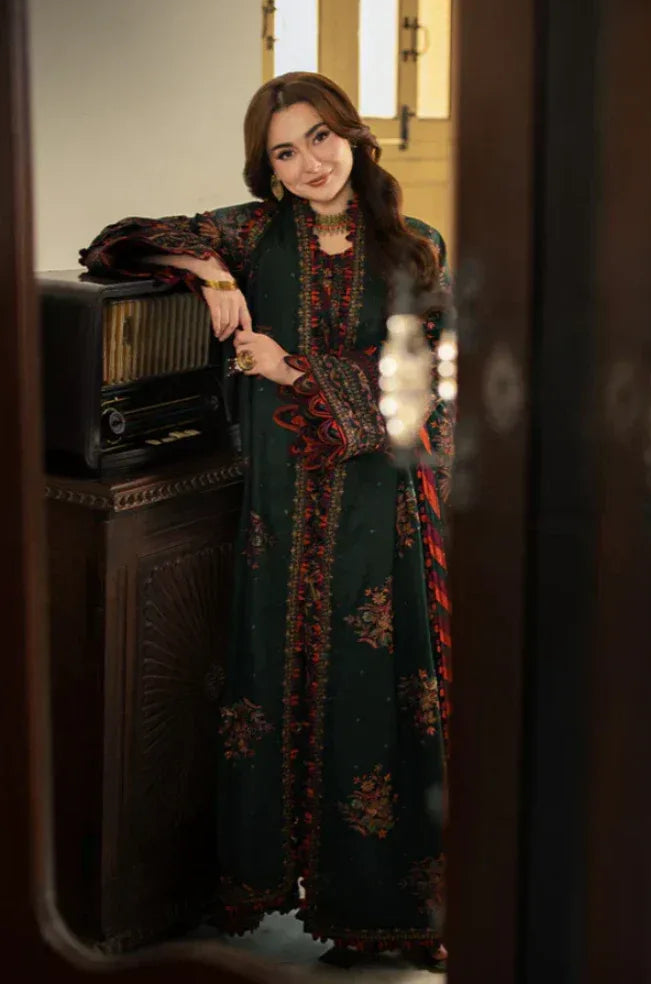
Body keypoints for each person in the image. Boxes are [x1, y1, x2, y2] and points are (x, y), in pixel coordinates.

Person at [80, 71, 454, 971]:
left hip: (379, 505)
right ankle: (264, 881)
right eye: (285, 152)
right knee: (272, 679)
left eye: (321, 138)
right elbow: (117, 242)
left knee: (374, 688)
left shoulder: (414, 245)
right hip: (277, 508)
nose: (309, 163)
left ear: (353, 137)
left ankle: (382, 912)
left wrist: (294, 372)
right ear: (269, 170)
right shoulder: (252, 234)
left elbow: (425, 388)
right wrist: (205, 269)